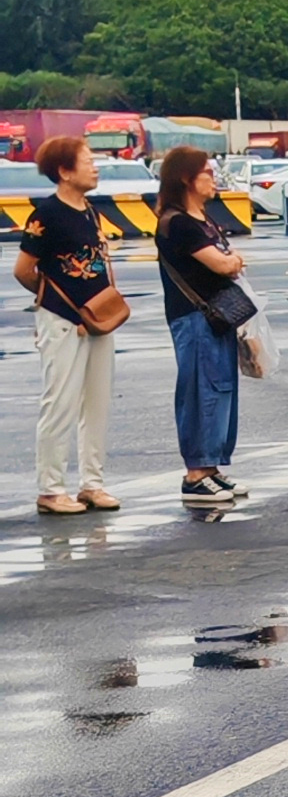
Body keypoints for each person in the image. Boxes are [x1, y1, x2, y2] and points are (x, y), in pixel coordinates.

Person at [16, 134, 121, 516]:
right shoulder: (46, 214)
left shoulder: (88, 210)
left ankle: (92, 484)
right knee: (59, 403)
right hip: (62, 320)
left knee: (97, 402)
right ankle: (51, 488)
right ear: (64, 171)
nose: (95, 166)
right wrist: (58, 304)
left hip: (99, 319)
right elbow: (24, 270)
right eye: (87, 159)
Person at [153, 144, 250, 508]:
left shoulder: (202, 219)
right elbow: (223, 265)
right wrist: (235, 260)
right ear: (186, 179)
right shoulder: (176, 223)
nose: (213, 178)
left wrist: (232, 261)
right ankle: (195, 473)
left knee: (222, 389)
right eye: (207, 173)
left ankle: (211, 466)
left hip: (217, 316)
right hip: (193, 318)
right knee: (200, 390)